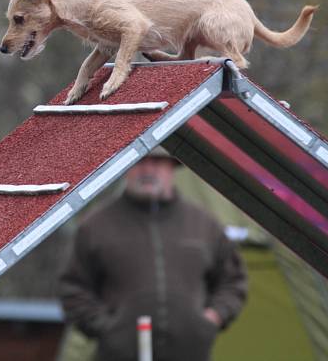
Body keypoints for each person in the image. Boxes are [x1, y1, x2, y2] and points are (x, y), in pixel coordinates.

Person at [58, 147, 247, 361]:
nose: (147, 170)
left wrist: (210, 319)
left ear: (172, 167)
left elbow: (233, 282)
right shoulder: (96, 226)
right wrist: (108, 328)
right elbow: (73, 289)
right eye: (139, 160)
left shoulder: (205, 224)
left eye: (157, 162)